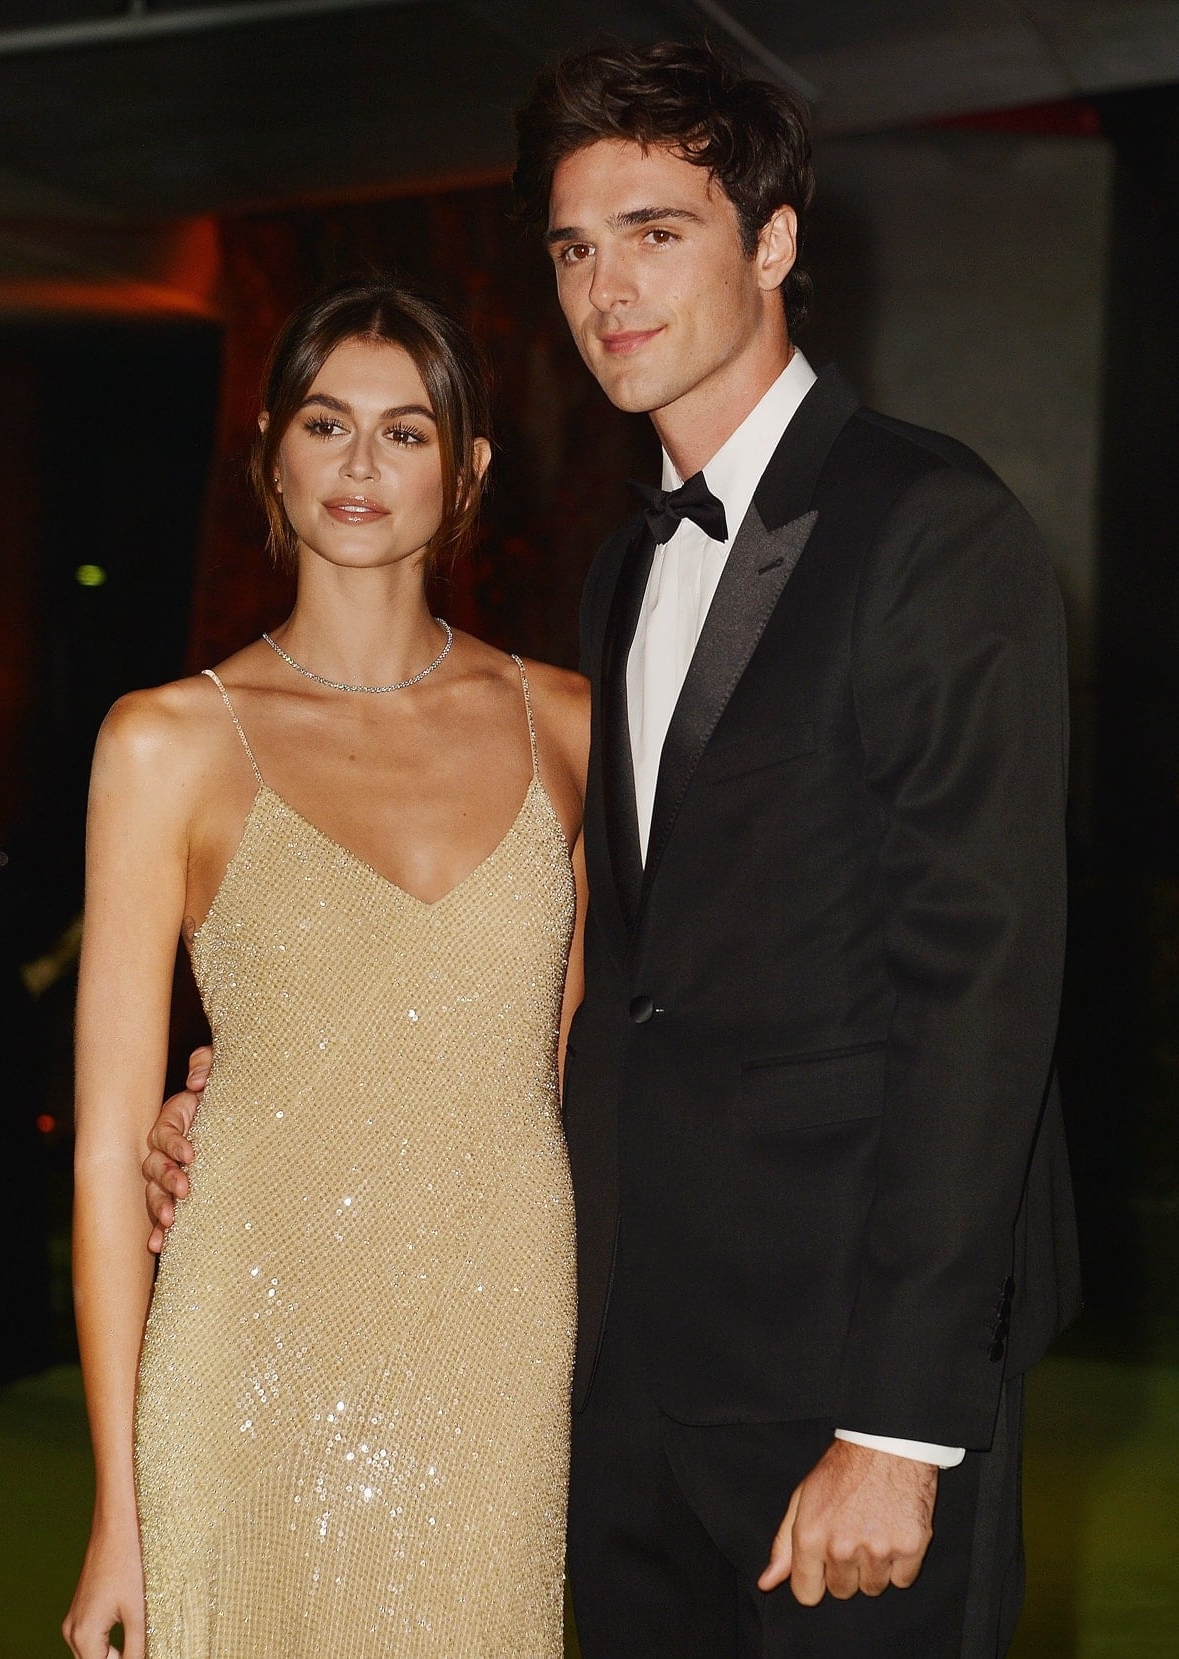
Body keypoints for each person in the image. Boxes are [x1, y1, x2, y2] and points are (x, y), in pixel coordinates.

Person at [146, 38, 1081, 1658]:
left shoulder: (933, 528)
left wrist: (901, 1424)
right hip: (622, 1375)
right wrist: (282, 1091)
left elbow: (983, 995)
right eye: (576, 249)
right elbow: (602, 973)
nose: (607, 290)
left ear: (773, 241)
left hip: (842, 1382)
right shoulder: (622, 571)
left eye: (657, 232)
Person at [63, 278, 587, 1659]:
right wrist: (119, 1509)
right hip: (247, 1348)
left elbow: (584, 1072)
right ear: (270, 453)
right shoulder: (164, 742)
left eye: (406, 432)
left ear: (468, 468)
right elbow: (106, 1155)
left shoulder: (571, 727)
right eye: (325, 423)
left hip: (497, 1352)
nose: (360, 464)